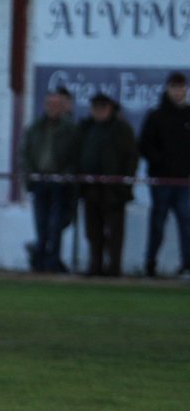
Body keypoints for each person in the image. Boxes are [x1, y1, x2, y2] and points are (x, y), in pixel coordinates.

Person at [76, 92, 139, 277]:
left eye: (103, 107)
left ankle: (114, 269)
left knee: (115, 232)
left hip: (114, 190)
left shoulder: (122, 129)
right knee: (93, 232)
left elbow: (131, 158)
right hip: (90, 189)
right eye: (96, 107)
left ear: (111, 109)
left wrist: (124, 184)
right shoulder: (86, 128)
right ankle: (95, 266)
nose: (99, 111)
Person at [19, 88, 79, 273]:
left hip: (60, 184)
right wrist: (30, 175)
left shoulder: (71, 130)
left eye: (57, 104)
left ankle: (52, 260)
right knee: (41, 224)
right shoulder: (35, 128)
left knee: (56, 225)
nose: (53, 108)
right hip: (39, 182)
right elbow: (24, 154)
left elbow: (76, 157)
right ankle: (41, 260)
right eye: (50, 104)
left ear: (63, 106)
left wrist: (66, 175)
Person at [138, 71, 190, 278]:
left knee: (186, 224)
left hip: (185, 182)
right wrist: (160, 163)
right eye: (174, 87)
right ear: (168, 89)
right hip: (161, 181)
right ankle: (150, 264)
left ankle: (187, 265)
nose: (178, 92)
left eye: (181, 88)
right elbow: (145, 145)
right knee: (157, 224)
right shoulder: (156, 116)